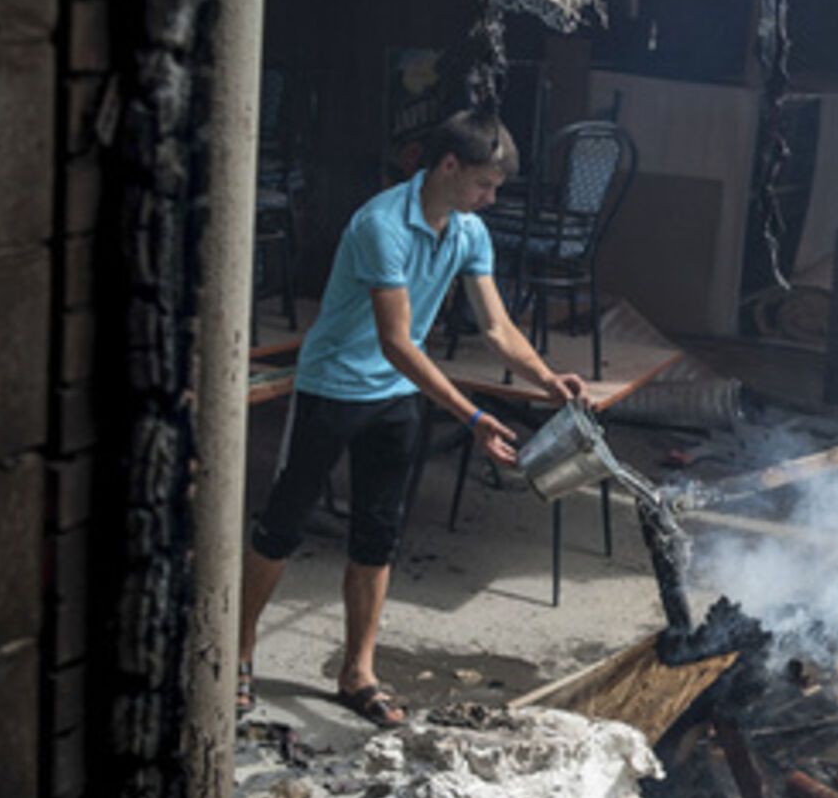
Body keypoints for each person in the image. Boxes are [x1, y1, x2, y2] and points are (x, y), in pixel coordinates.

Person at [237, 109, 588, 726]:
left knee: (378, 535)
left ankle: (358, 673)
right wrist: (472, 415)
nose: (491, 198)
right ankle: (237, 655)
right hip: (333, 387)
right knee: (282, 526)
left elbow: (497, 328)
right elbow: (397, 342)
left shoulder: (468, 231)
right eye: (484, 184)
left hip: (395, 397)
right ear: (448, 166)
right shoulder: (382, 225)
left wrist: (546, 379)